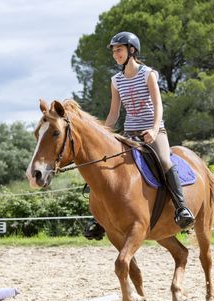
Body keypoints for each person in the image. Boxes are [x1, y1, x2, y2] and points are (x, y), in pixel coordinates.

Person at [83, 31, 194, 240]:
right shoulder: (116, 80)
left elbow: (158, 104)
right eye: (114, 51)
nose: (116, 54)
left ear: (131, 50)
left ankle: (181, 209)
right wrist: (103, 135)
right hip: (130, 132)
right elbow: (114, 112)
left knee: (164, 161)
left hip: (154, 131)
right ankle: (99, 218)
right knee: (106, 164)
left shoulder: (147, 74)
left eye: (119, 50)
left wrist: (153, 129)